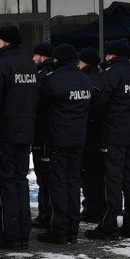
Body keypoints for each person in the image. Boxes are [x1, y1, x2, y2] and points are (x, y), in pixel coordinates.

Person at [86, 40, 130, 240]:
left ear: (112, 55)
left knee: (111, 179)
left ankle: (108, 224)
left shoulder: (111, 74)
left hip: (113, 134)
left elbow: (99, 102)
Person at [36, 44, 93, 244]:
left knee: (58, 183)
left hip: (57, 137)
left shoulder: (52, 80)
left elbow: (41, 106)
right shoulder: (85, 79)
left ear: (57, 59)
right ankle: (72, 229)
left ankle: (59, 229)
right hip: (79, 137)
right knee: (73, 182)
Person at [0, 25, 39, 250]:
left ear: (5, 42)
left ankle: (10, 233)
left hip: (6, 132)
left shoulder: (0, 65)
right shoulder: (29, 65)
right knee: (20, 181)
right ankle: (23, 232)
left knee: (5, 183)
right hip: (25, 132)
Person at [77, 47, 106, 223]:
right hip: (101, 133)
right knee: (98, 173)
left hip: (89, 133)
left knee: (88, 174)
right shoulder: (102, 78)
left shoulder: (85, 80)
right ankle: (96, 207)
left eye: (80, 61)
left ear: (85, 62)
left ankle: (92, 208)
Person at [30, 41, 56, 230]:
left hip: (43, 134)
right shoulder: (51, 75)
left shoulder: (43, 77)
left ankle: (46, 214)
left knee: (45, 177)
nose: (33, 58)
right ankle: (47, 213)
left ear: (44, 57)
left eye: (36, 55)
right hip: (52, 133)